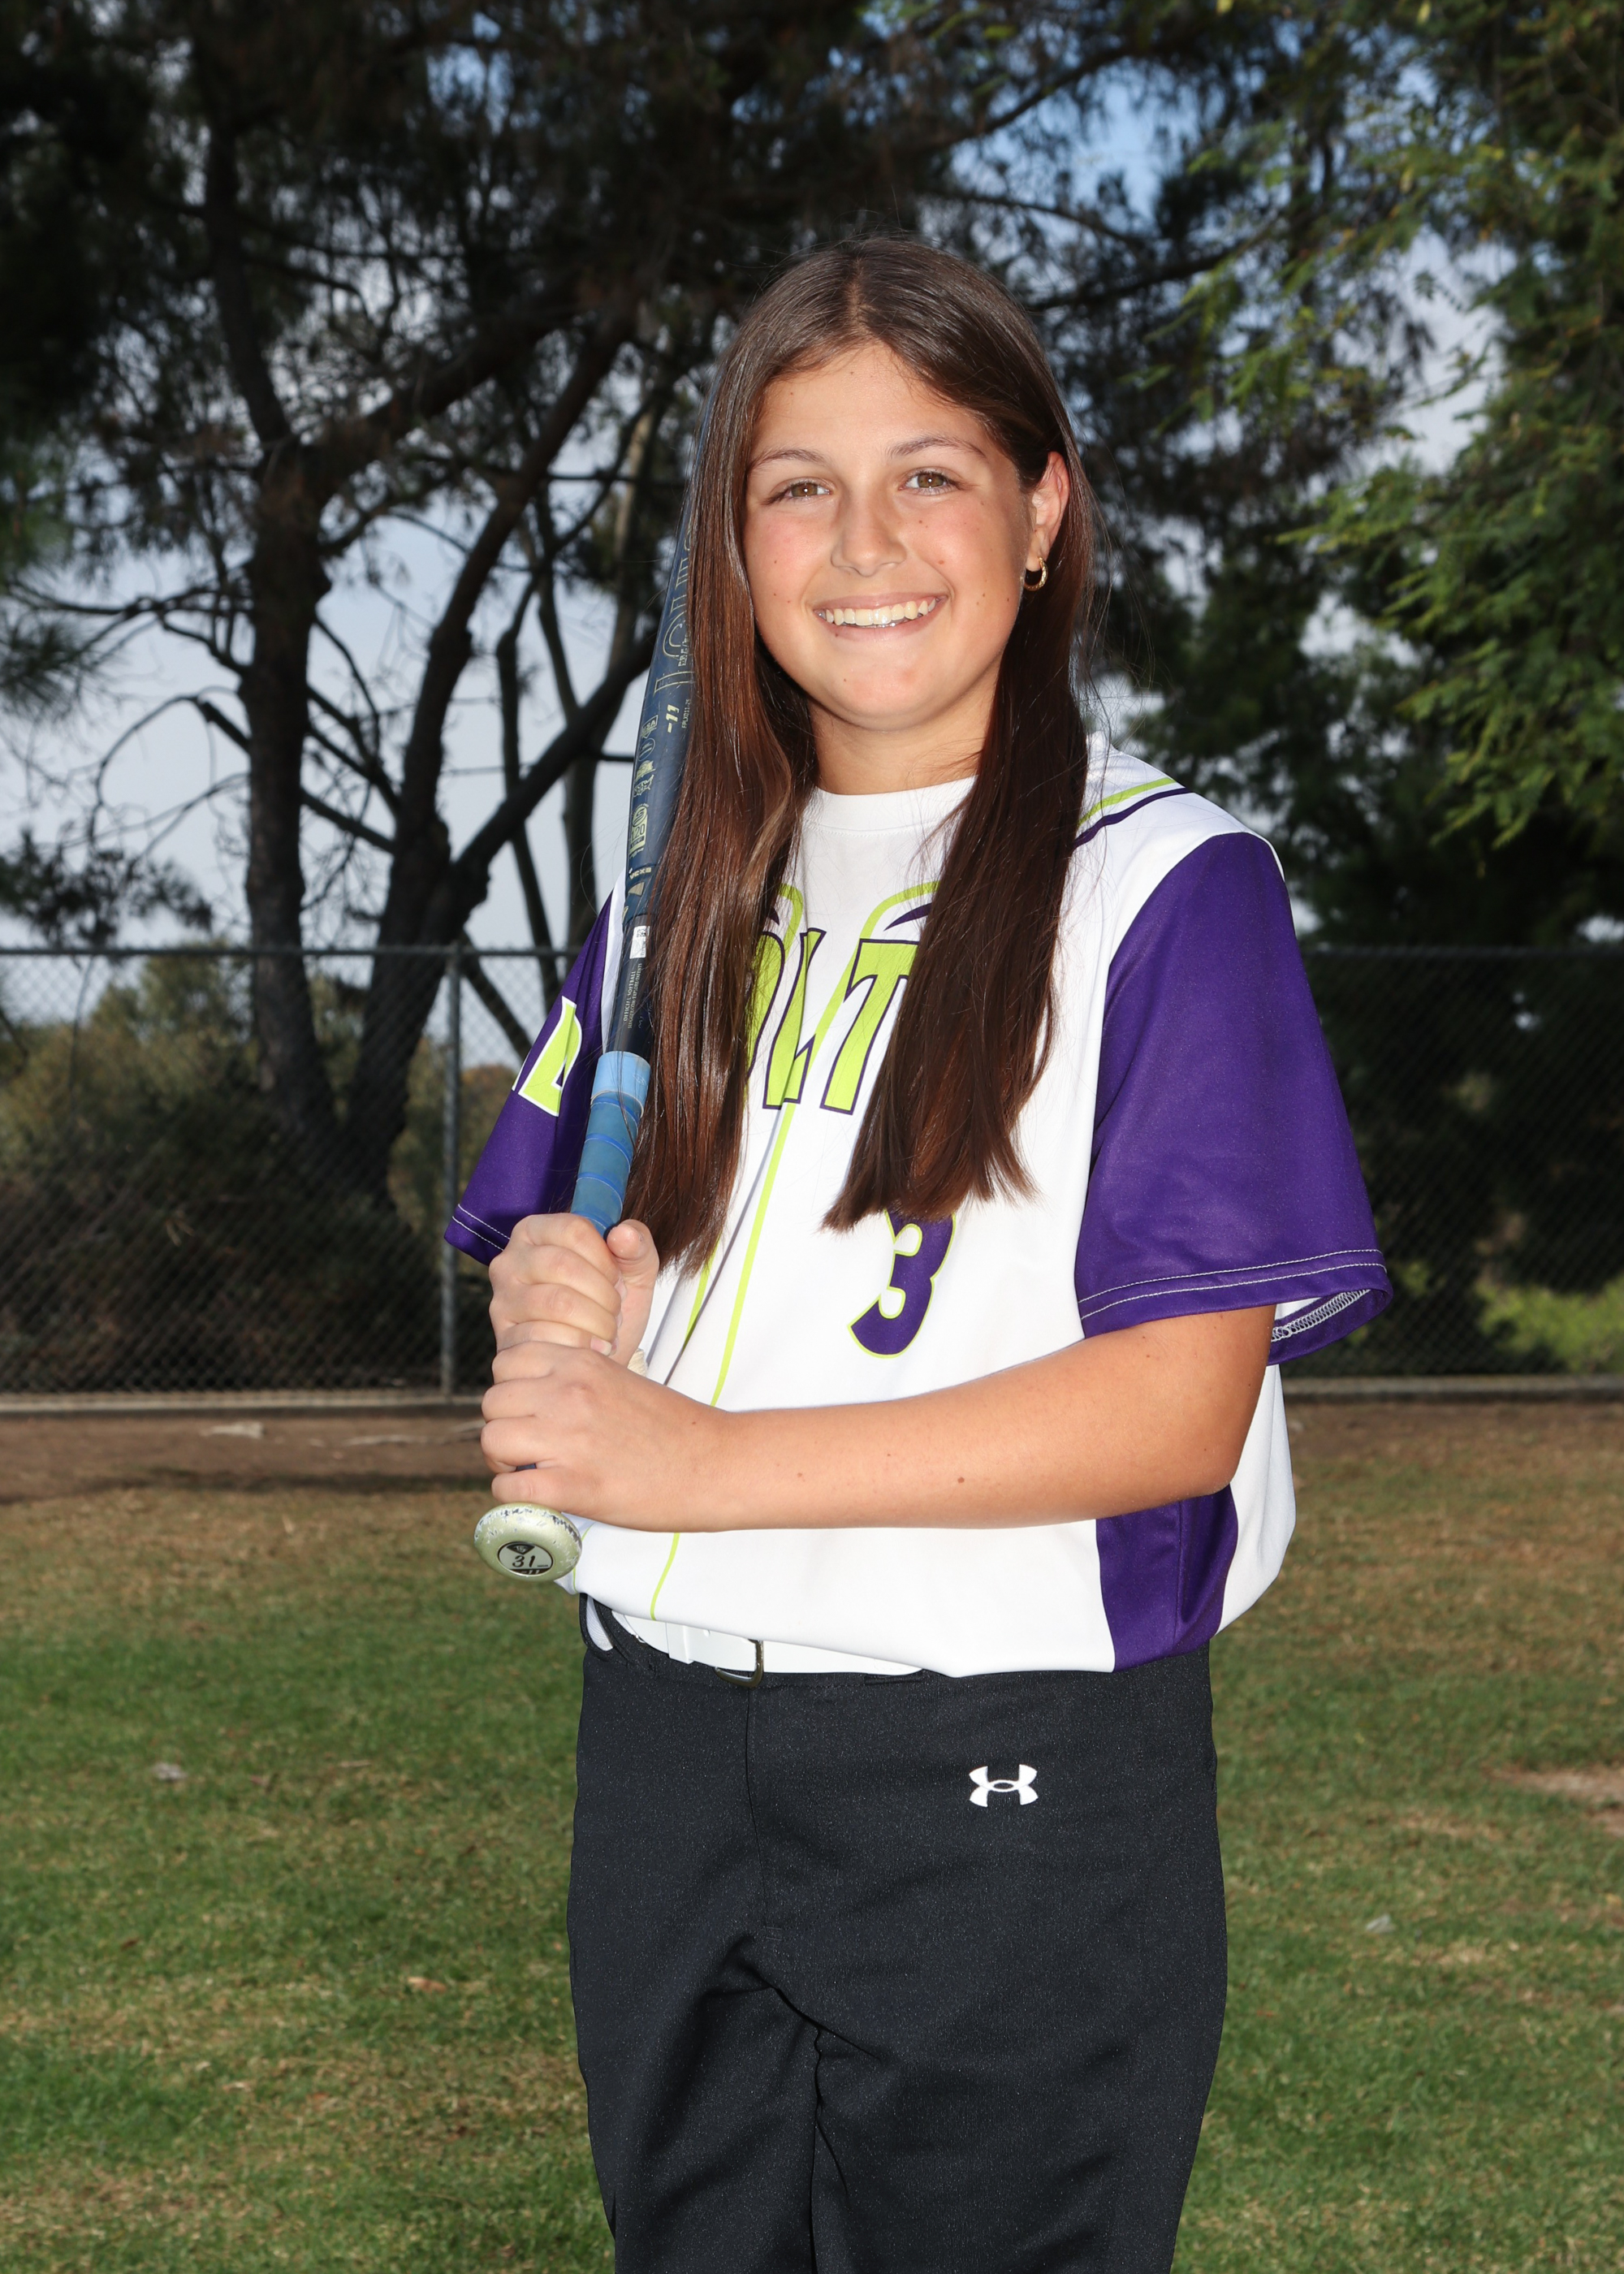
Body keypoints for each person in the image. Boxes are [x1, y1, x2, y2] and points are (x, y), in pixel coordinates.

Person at [447, 238, 1389, 2274]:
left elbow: (1179, 1404)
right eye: (798, 485)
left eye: (929, 475)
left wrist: (697, 1459)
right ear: (735, 542)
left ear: (1042, 511)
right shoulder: (682, 892)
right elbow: (559, 1229)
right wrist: (554, 1282)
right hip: (667, 1750)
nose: (863, 542)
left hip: (1001, 1766)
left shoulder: (1167, 884)